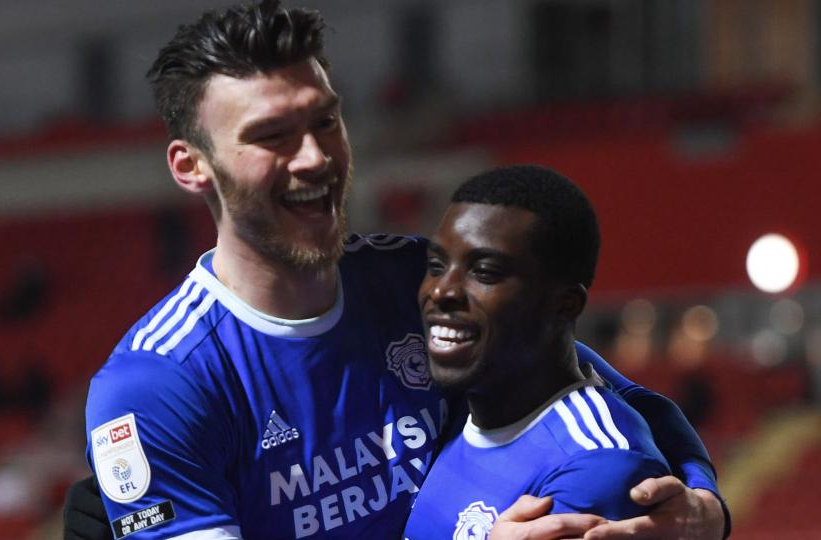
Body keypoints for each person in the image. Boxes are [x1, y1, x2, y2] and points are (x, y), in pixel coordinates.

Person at [68, 1, 727, 539]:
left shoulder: (417, 279)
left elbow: (606, 394)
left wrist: (703, 507)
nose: (313, 158)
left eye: (325, 121)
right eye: (272, 137)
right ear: (191, 166)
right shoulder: (158, 384)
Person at [402, 166, 673, 539]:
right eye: (436, 266)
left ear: (564, 304)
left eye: (485, 272)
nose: (441, 291)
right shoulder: (454, 411)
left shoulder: (596, 466)